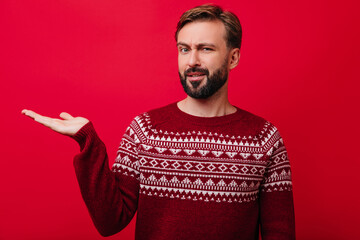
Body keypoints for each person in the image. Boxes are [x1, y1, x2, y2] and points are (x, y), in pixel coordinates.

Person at [22, 4, 295, 240]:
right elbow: (110, 222)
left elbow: (280, 233)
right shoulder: (145, 129)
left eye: (206, 49)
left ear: (233, 58)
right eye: (184, 49)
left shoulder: (264, 137)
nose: (192, 61)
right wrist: (87, 141)